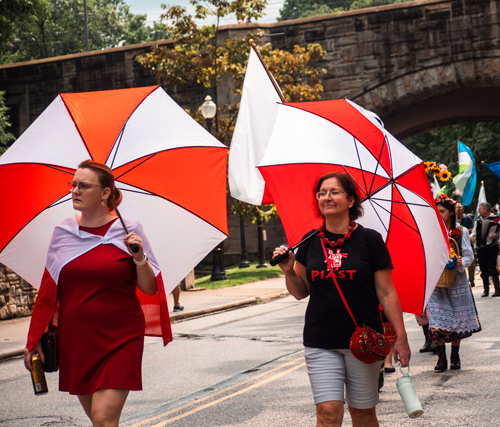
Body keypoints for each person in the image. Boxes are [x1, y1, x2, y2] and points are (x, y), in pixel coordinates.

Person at [24, 160, 172, 427]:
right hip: (77, 340)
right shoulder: (62, 233)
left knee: (104, 419)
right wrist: (33, 338)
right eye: (73, 185)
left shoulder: (129, 231)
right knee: (99, 420)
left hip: (121, 337)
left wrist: (139, 256)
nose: (75, 191)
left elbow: (149, 288)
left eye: (84, 186)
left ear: (105, 193)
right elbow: (48, 292)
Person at [273, 171, 410, 427]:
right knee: (327, 413)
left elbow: (387, 291)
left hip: (363, 340)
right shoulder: (309, 242)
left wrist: (400, 338)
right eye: (322, 193)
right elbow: (300, 291)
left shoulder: (370, 240)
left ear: (350, 201)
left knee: (363, 415)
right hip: (320, 339)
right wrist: (288, 270)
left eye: (334, 192)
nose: (327, 197)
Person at [428, 194, 481, 371]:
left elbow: (469, 256)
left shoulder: (462, 232)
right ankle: (441, 358)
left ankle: (455, 355)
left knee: (457, 319)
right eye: (436, 211)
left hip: (457, 282)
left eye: (441, 211)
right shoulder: (432, 231)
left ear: (451, 212)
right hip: (437, 282)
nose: (438, 214)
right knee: (437, 318)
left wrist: (460, 262)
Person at [470, 202, 500, 297]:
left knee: (492, 267)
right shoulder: (478, 221)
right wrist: (472, 237)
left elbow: (499, 234)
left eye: (480, 209)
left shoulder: (496, 220)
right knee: (483, 268)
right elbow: (474, 233)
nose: (478, 211)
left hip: (492, 247)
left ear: (485, 210)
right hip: (481, 248)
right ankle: (485, 290)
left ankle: (497, 289)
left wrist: (496, 236)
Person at [456, 204, 476, 287]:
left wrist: (463, 230)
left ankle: (471, 279)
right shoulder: (454, 219)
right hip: (457, 244)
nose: (458, 210)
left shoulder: (467, 218)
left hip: (466, 241)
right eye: (457, 208)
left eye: (460, 208)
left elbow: (471, 228)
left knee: (471, 263)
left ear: (463, 209)